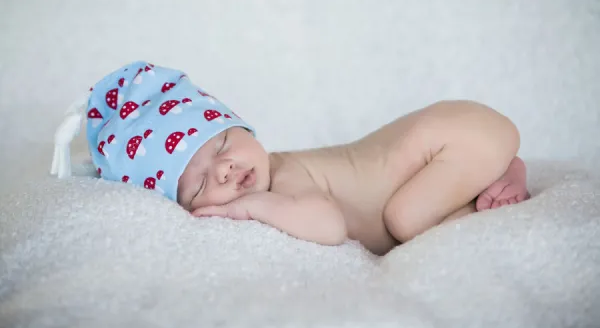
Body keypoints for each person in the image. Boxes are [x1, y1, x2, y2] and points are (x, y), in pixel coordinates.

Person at [51, 61, 530, 255]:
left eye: (221, 144)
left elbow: (328, 226)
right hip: (454, 139)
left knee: (406, 221)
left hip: (455, 136)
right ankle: (490, 168)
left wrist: (246, 207)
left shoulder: (285, 179)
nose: (225, 169)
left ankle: (499, 172)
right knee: (407, 214)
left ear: (242, 125)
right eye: (199, 185)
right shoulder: (276, 179)